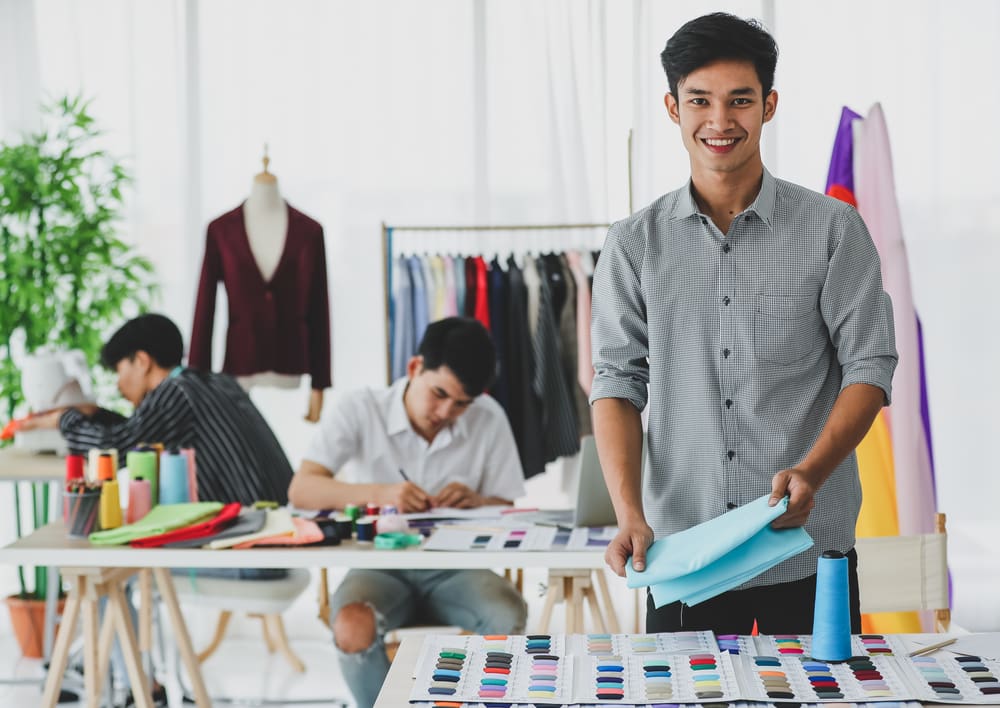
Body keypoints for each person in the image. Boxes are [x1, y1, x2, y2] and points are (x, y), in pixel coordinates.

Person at [589, 12, 897, 634]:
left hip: (810, 545)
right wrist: (628, 511)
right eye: (700, 101)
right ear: (673, 107)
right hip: (684, 550)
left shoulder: (834, 231)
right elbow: (616, 382)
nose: (720, 122)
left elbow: (870, 367)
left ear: (769, 105)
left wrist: (811, 471)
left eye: (740, 101)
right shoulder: (632, 245)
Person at [288, 317, 527, 708]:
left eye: (462, 404)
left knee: (507, 613)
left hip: (457, 566)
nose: (447, 411)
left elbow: (507, 509)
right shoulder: (361, 408)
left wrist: (477, 501)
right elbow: (302, 488)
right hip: (378, 565)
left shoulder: (489, 416)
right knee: (351, 624)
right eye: (439, 394)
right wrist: (381, 493)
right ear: (414, 367)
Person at [23, 313, 294, 506]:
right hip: (281, 528)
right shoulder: (210, 382)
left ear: (141, 361)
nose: (118, 385)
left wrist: (63, 418)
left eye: (119, 371)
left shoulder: (176, 392)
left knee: (119, 563)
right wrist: (95, 414)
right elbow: (141, 429)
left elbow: (113, 450)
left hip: (250, 543)